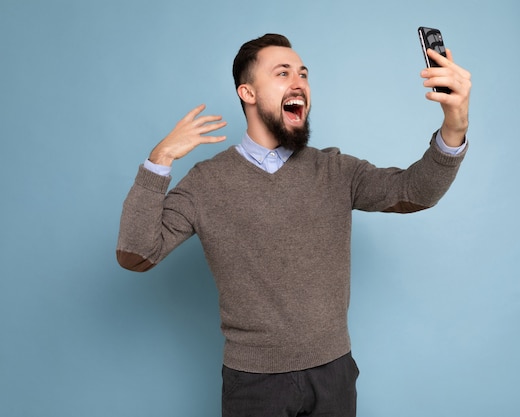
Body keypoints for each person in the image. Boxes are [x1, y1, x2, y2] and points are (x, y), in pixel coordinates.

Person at [117, 33, 471, 417]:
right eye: (282, 73)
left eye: (303, 73)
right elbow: (137, 253)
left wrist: (455, 126)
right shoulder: (206, 183)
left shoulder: (335, 170)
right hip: (253, 383)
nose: (299, 82)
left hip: (334, 375)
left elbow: (416, 191)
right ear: (248, 93)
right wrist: (160, 159)